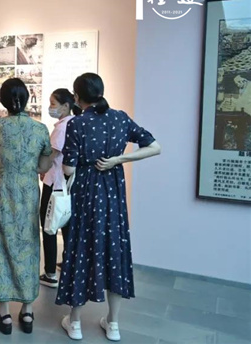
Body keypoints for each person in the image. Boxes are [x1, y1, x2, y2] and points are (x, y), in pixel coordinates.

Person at [56, 73, 161, 342]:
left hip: (86, 196)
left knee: (80, 250)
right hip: (113, 195)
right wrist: (118, 159)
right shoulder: (120, 118)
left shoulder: (77, 123)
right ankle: (113, 324)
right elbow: (154, 147)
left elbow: (68, 169)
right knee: (115, 250)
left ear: (77, 97)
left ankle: (75, 323)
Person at [0, 79, 53, 335]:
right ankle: (28, 311)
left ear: (3, 100)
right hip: (28, 193)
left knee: (0, 244)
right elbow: (43, 166)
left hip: (1, 191)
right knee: (28, 245)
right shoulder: (40, 129)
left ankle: (4, 315)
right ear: (27, 98)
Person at [39, 88, 82, 289]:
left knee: (49, 226)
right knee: (67, 226)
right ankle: (68, 265)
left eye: (53, 103)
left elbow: (52, 155)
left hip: (54, 184)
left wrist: (41, 168)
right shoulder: (76, 123)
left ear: (66, 106)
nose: (50, 107)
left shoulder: (62, 128)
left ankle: (50, 273)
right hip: (68, 184)